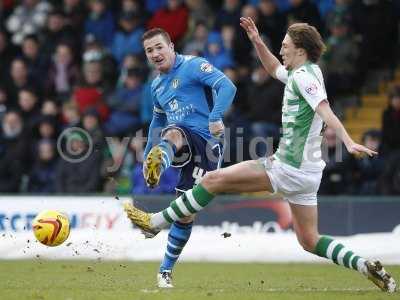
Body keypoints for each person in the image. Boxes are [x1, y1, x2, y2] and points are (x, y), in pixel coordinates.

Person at [123, 19, 396, 293]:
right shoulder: (301, 73)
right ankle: (363, 264)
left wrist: (348, 141)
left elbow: (326, 110)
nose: (281, 49)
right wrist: (256, 40)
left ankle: (155, 221)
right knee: (310, 240)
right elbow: (274, 68)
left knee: (212, 181)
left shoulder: (305, 78)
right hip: (310, 174)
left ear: (300, 49)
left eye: (285, 45)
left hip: (287, 166)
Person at [137, 28, 236, 288]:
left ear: (171, 46)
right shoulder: (156, 85)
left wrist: (215, 116)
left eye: (159, 47)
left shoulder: (193, 65)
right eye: (149, 50)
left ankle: (165, 268)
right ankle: (159, 161)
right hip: (179, 138)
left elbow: (227, 85)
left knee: (185, 212)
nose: (155, 54)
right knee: (173, 131)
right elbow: (157, 119)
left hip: (208, 143)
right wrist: (149, 153)